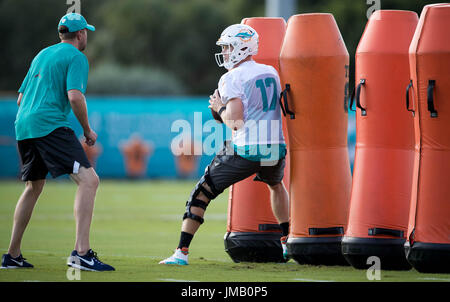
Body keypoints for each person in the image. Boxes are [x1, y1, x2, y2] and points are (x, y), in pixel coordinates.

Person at [160, 24, 290, 265]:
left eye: (229, 47)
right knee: (276, 185)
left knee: (202, 192)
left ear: (242, 47)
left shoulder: (231, 77)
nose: (226, 52)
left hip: (247, 149)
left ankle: (181, 253)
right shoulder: (270, 71)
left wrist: (219, 107)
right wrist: (223, 111)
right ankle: (286, 242)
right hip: (275, 146)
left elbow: (237, 121)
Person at [1, 13, 114, 271]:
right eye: (86, 32)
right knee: (89, 180)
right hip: (49, 125)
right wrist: (87, 130)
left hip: (24, 125)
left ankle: (12, 255)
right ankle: (81, 253)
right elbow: (75, 97)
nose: (87, 35)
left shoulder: (42, 54)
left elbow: (20, 99)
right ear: (81, 34)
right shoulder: (76, 57)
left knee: (33, 187)